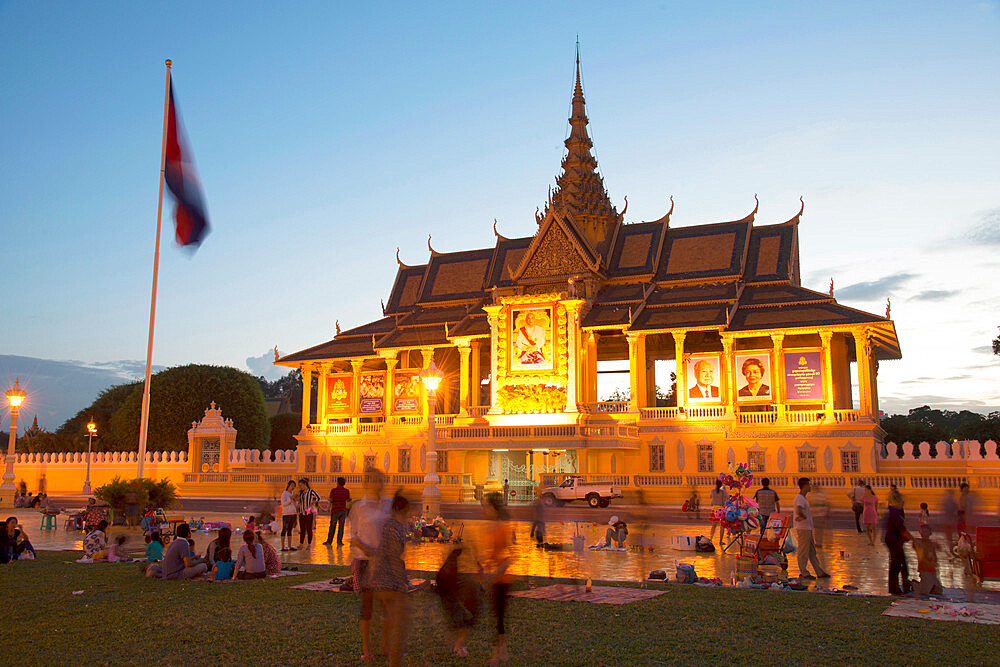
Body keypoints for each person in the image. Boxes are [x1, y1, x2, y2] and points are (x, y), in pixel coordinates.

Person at [349, 469, 390, 663]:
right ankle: (367, 649)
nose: (377, 483)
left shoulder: (388, 505)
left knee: (387, 606)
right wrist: (368, 550)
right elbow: (352, 536)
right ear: (366, 482)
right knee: (367, 608)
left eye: (380, 480)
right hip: (365, 561)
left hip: (385, 561)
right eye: (373, 480)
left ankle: (385, 645)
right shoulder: (359, 507)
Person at [371, 494, 412, 667]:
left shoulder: (387, 524)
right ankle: (393, 659)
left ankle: (384, 646)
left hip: (379, 577)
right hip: (389, 579)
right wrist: (402, 581)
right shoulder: (397, 527)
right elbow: (394, 555)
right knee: (400, 622)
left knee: (388, 615)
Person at [482, 493, 512, 666]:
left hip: (502, 580)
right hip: (497, 578)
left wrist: (494, 574)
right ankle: (502, 652)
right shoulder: (494, 527)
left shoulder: (500, 528)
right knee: (497, 617)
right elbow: (495, 553)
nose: (485, 510)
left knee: (498, 617)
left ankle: (498, 655)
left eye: (486, 506)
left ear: (494, 508)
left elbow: (507, 557)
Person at [436, 546, 480, 657]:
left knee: (463, 624)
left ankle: (456, 646)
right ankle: (457, 648)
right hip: (453, 601)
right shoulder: (450, 571)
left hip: (452, 600)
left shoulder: (448, 569)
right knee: (465, 625)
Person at [793, 477, 830, 580]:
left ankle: (819, 571)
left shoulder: (803, 498)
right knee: (803, 551)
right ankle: (804, 572)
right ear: (805, 486)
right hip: (803, 528)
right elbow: (799, 509)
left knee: (812, 552)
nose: (810, 487)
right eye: (809, 485)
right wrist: (803, 516)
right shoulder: (800, 498)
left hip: (807, 528)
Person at [885, 505, 912, 595]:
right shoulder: (895, 512)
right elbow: (900, 527)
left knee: (900, 564)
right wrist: (912, 538)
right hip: (894, 540)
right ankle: (896, 587)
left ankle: (900, 585)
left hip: (895, 540)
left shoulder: (895, 511)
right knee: (897, 565)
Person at [912, 524, 943, 596]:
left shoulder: (931, 543)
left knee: (938, 591)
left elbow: (935, 555)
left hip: (932, 570)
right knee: (924, 592)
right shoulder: (918, 542)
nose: (924, 533)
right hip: (924, 569)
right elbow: (921, 558)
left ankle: (919, 584)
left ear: (930, 533)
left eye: (926, 531)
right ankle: (914, 585)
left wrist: (934, 563)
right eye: (923, 531)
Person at [324, 476, 351, 546]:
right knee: (341, 527)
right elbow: (348, 500)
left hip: (335, 510)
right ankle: (339, 542)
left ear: (338, 483)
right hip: (343, 510)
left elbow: (331, 500)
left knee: (332, 526)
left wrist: (327, 508)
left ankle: (329, 541)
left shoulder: (333, 490)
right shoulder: (346, 491)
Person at [298, 478, 321, 547]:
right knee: (302, 529)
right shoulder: (301, 493)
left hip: (308, 513)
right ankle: (301, 544)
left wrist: (313, 502)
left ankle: (309, 544)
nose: (300, 487)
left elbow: (318, 497)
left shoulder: (311, 492)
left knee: (309, 529)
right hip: (302, 513)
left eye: (301, 485)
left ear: (305, 485)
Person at [279, 480, 298, 552]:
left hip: (293, 513)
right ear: (288, 485)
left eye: (294, 486)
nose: (293, 487)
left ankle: (289, 546)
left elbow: (294, 504)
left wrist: (295, 499)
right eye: (292, 485)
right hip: (286, 514)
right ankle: (283, 546)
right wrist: (291, 499)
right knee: (284, 529)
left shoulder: (292, 493)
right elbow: (283, 504)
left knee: (290, 530)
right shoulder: (284, 494)